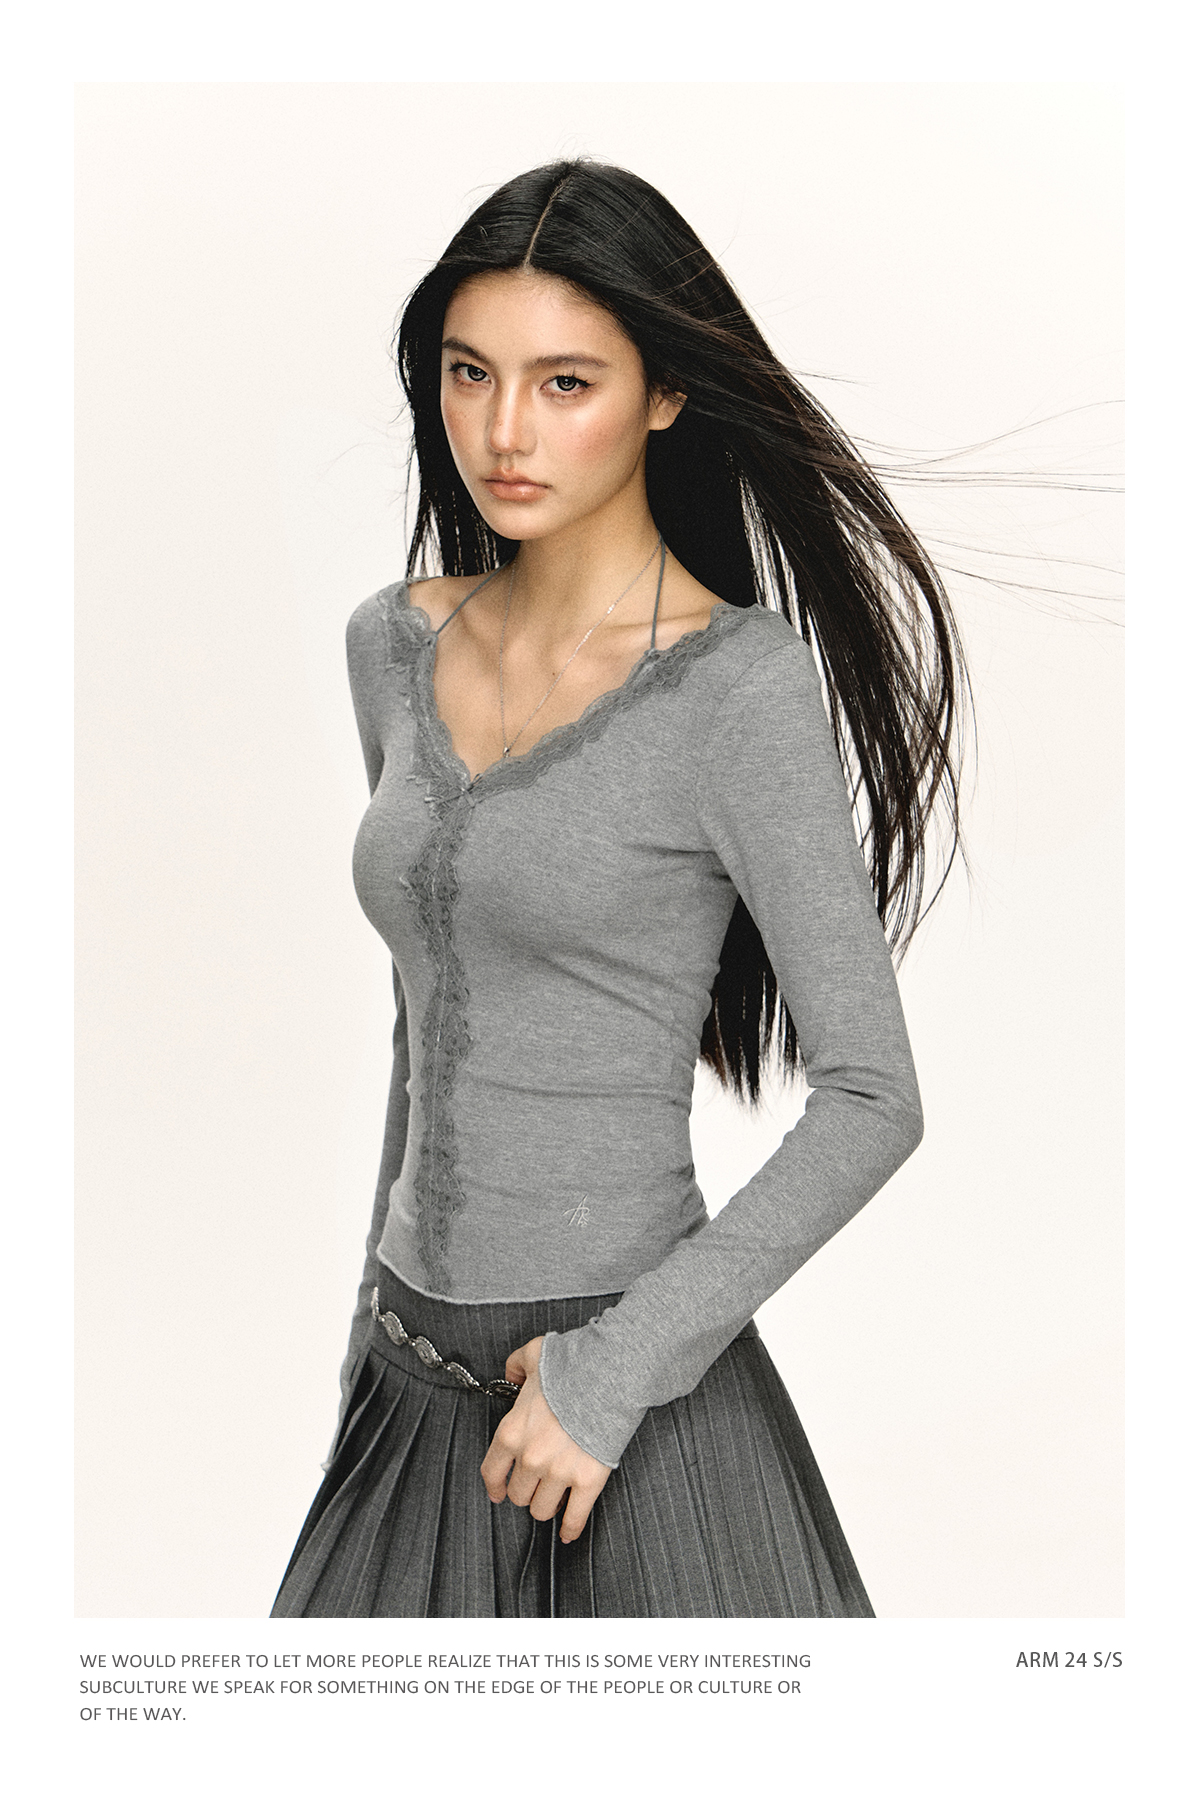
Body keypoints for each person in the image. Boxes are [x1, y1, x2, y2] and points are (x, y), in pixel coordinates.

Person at [271, 158, 967, 1619]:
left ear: (666, 394)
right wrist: (359, 1352)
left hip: (632, 1404)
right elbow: (425, 1017)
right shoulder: (390, 645)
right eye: (469, 372)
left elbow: (875, 1096)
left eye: (565, 383)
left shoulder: (738, 690)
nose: (503, 432)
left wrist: (613, 1374)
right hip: (407, 1379)